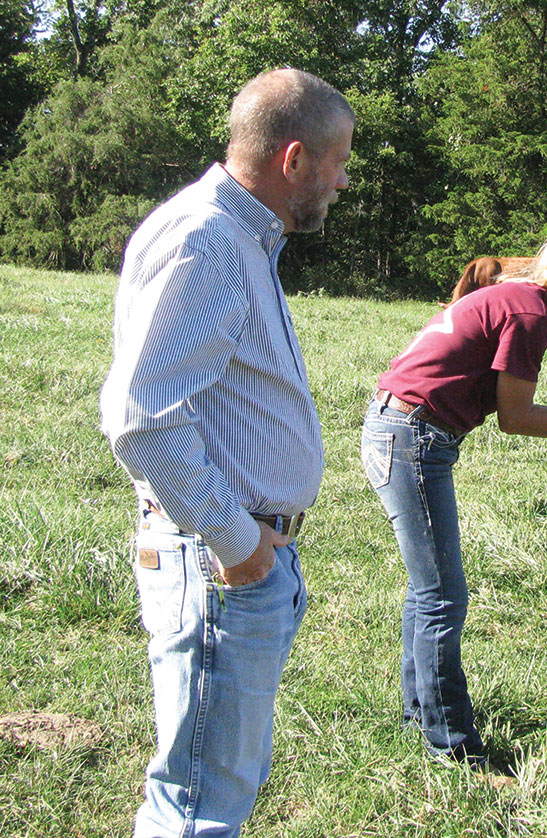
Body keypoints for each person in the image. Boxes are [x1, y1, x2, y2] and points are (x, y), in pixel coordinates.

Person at [99, 68, 353, 837]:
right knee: (200, 805)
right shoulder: (209, 239)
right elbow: (141, 416)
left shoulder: (239, 234)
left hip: (232, 555)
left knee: (214, 784)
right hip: (218, 560)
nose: (342, 183)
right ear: (295, 159)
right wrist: (238, 544)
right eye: (339, 163)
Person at [361, 224, 547, 770]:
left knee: (431, 589)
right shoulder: (530, 315)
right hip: (412, 437)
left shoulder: (520, 300)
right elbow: (515, 418)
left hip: (399, 428)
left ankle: (420, 715)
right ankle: (452, 746)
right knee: (442, 596)